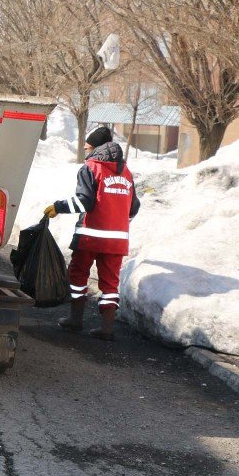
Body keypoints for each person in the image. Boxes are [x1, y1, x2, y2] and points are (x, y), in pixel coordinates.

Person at [44, 126, 140, 341]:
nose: (86, 152)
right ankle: (107, 328)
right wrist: (116, 220)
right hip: (117, 240)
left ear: (96, 148)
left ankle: (75, 320)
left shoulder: (91, 167)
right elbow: (133, 208)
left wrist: (58, 207)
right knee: (110, 283)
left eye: (87, 148)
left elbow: (83, 201)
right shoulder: (126, 172)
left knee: (78, 276)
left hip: (90, 236)